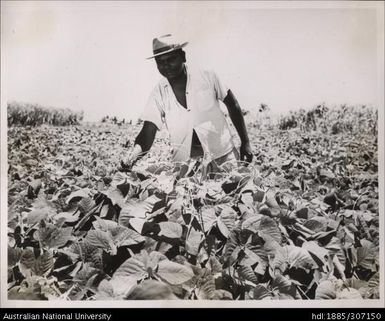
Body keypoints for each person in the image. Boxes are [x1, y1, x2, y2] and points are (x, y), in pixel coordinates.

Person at [121, 34, 253, 173]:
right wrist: (132, 156)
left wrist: (246, 143)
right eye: (160, 61)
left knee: (232, 192)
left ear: (183, 57)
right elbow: (147, 132)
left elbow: (232, 104)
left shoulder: (207, 75)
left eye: (171, 59)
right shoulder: (158, 93)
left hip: (223, 156)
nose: (166, 65)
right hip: (187, 166)